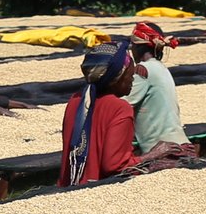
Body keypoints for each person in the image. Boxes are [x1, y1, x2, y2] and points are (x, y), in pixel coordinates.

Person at [60, 40, 143, 186]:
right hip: (97, 188)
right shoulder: (120, 108)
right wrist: (152, 156)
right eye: (130, 74)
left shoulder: (76, 100)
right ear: (117, 78)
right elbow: (115, 165)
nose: (132, 78)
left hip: (67, 187)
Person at [125, 22, 198, 164]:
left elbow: (123, 104)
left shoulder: (143, 70)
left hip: (163, 150)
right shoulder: (162, 69)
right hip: (180, 145)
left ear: (139, 47)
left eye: (132, 45)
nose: (131, 49)